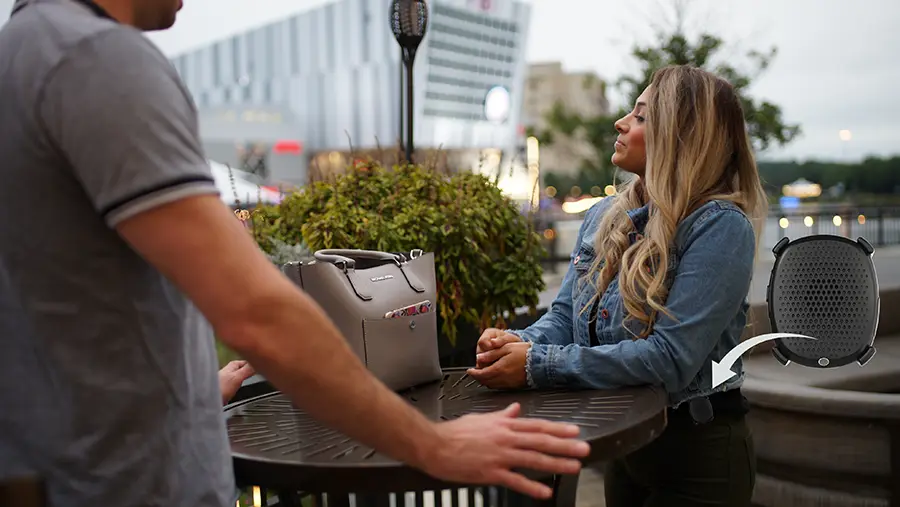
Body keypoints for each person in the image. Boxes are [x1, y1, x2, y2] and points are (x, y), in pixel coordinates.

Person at [0, 0, 592, 506]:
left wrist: (190, 390)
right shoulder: (96, 60)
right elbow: (255, 311)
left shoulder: (23, 52)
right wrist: (432, 445)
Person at [468, 65, 767, 507]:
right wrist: (517, 341)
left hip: (699, 454)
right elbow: (568, 316)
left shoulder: (720, 228)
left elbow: (670, 360)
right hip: (624, 440)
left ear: (682, 137)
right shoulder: (605, 214)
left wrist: (535, 364)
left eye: (642, 116)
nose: (621, 122)